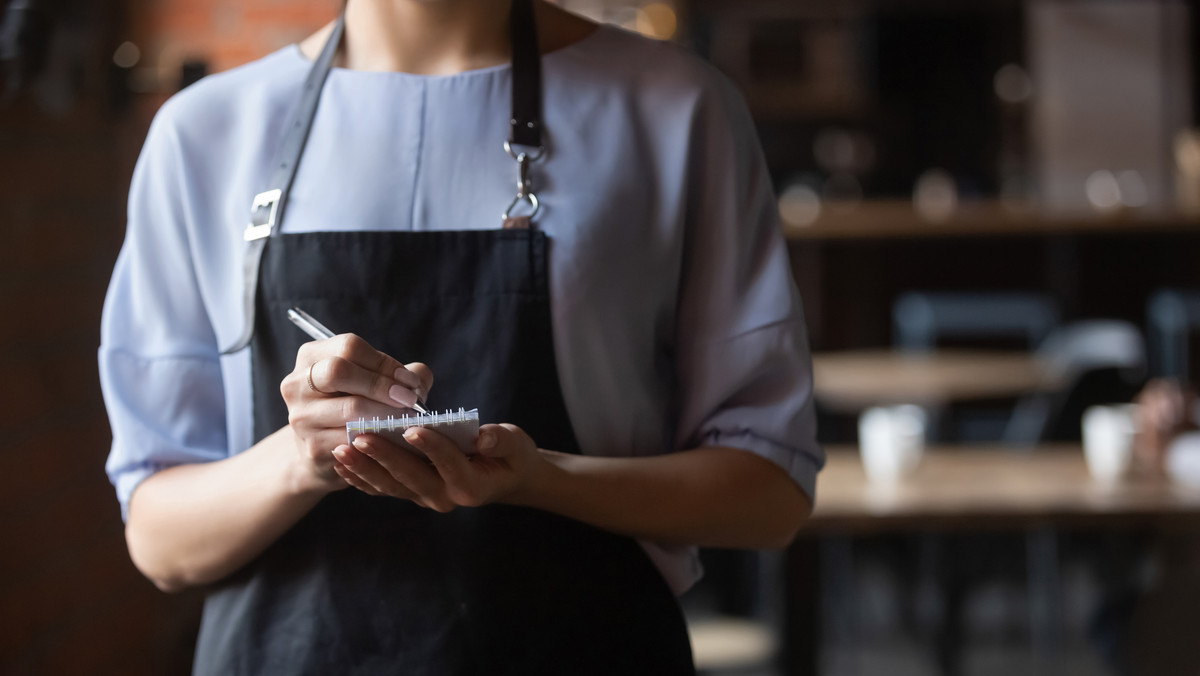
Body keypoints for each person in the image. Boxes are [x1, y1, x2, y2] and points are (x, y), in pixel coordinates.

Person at [100, 1, 823, 673]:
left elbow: (769, 496)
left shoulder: (675, 108)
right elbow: (161, 542)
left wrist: (546, 480)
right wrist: (301, 459)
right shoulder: (204, 132)